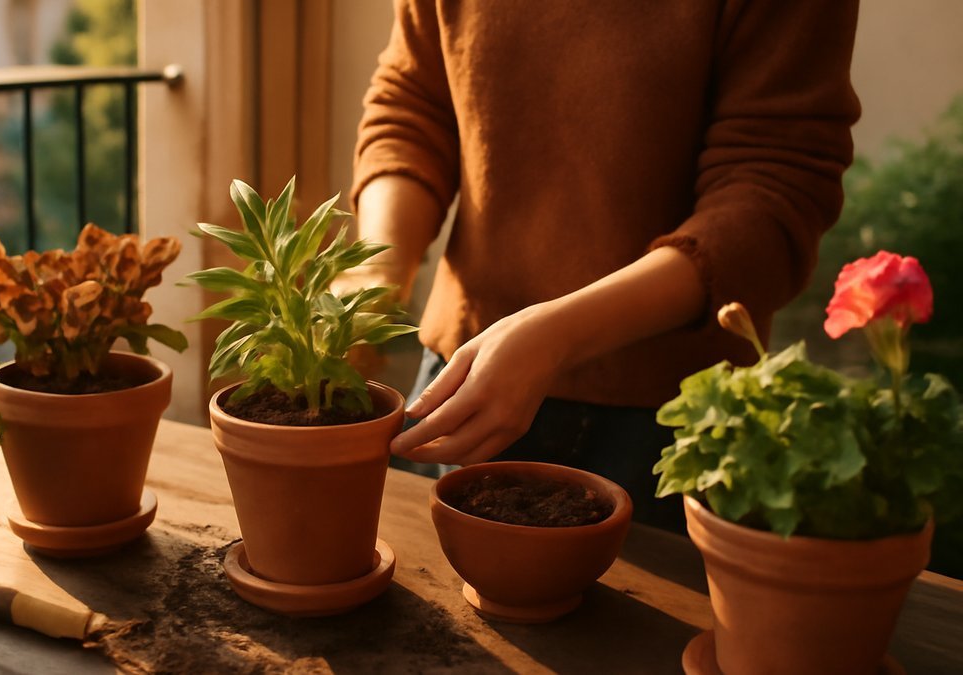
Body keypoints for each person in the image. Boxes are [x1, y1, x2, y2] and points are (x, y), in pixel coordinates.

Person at [339, 1, 862, 530]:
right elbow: (413, 107)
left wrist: (557, 335)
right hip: (460, 382)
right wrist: (376, 271)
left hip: (667, 424)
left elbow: (774, 189)